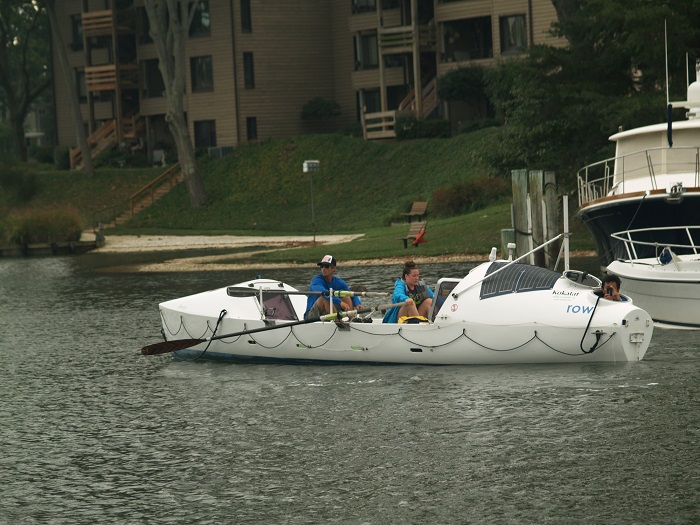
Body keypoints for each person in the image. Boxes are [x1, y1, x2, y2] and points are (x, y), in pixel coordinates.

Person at [304, 255, 361, 319]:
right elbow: (325, 293)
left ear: (333, 268)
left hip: (328, 311)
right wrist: (340, 302)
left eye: (326, 266)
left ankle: (352, 320)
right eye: (322, 266)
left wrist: (357, 304)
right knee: (325, 298)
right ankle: (337, 321)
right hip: (311, 316)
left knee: (346, 296)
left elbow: (350, 293)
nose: (323, 269)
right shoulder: (316, 280)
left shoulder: (339, 282)